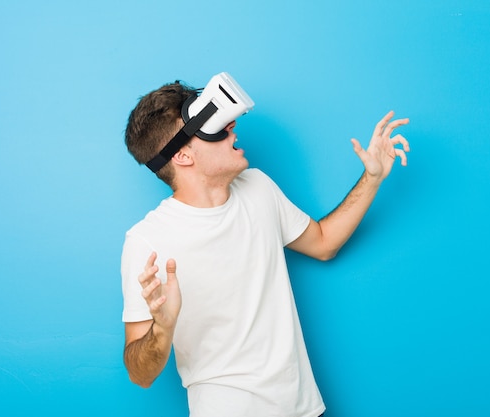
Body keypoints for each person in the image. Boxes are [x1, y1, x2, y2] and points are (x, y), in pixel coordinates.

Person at [121, 80, 410, 417]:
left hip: (302, 407)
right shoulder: (147, 240)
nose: (231, 129)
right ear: (182, 155)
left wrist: (372, 177)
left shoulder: (257, 187)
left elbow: (323, 243)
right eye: (214, 127)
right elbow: (140, 375)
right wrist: (162, 329)